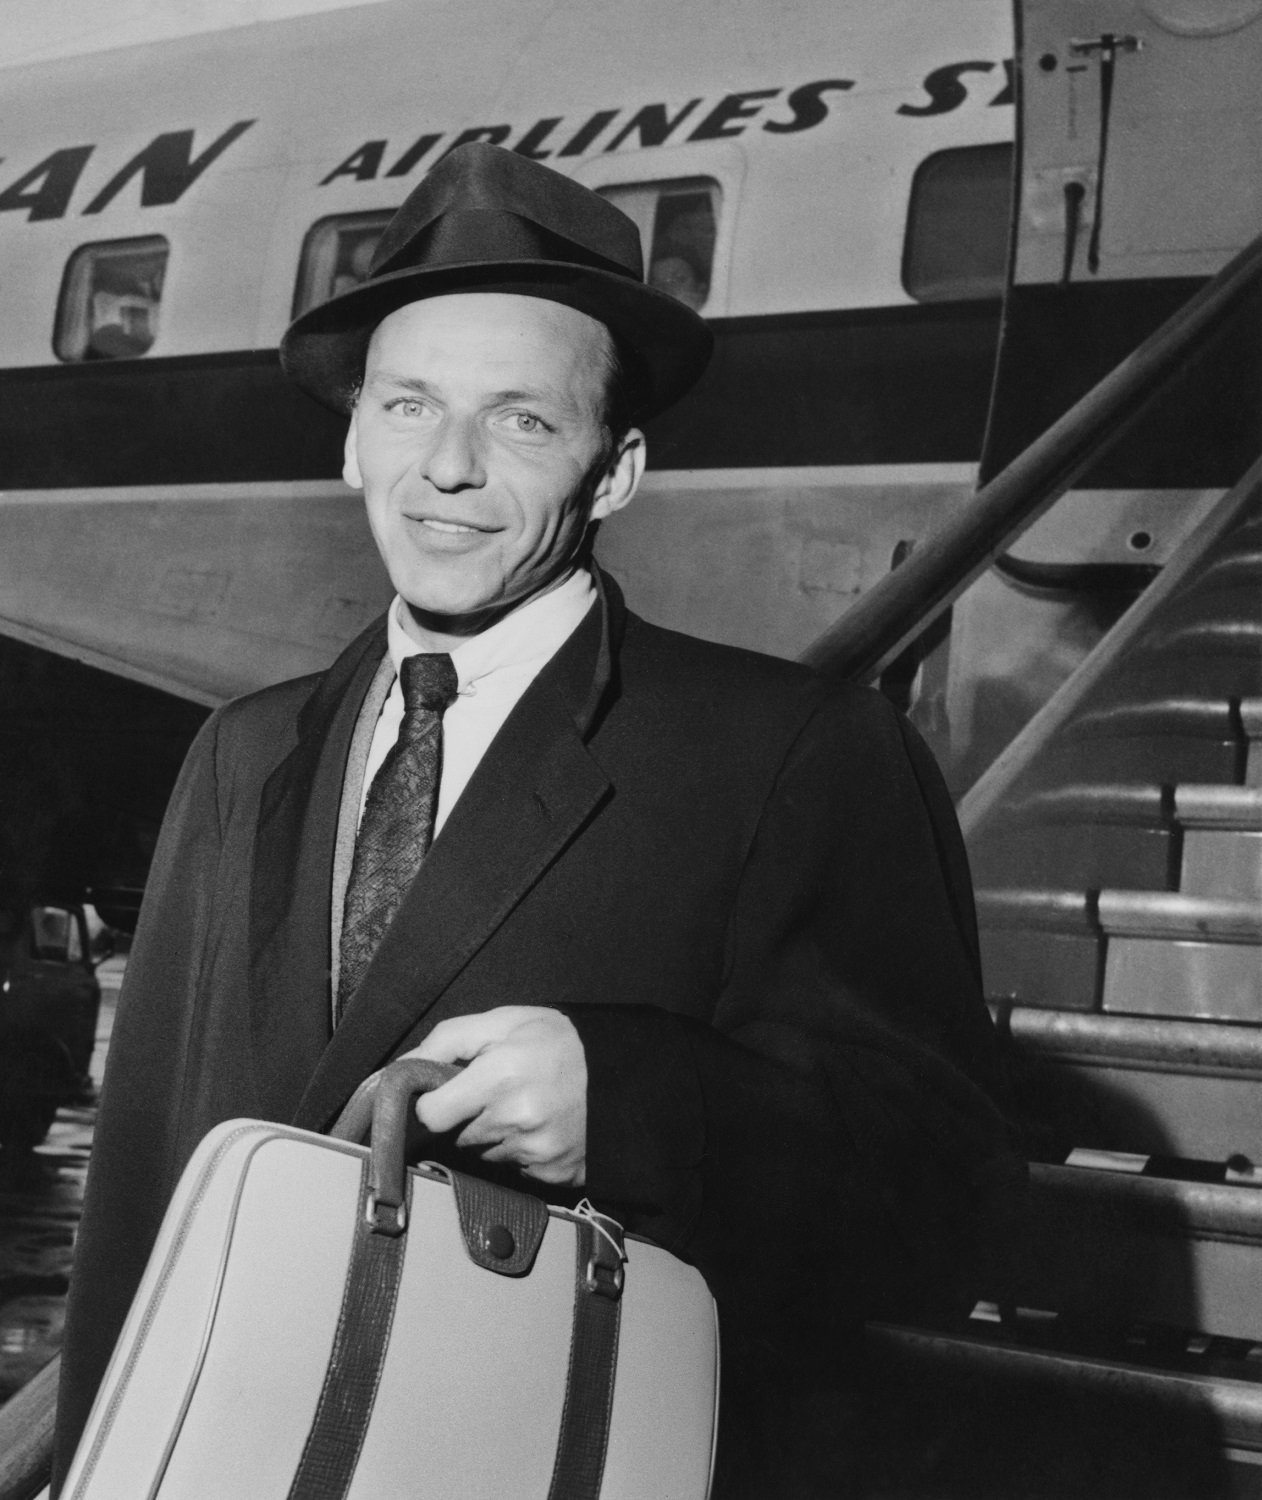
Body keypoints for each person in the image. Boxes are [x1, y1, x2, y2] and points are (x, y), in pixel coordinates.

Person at [53, 143, 1017, 1495]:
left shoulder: (793, 752)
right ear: (349, 441)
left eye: (518, 420)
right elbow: (146, 1193)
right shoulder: (243, 750)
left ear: (613, 472)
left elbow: (944, 1200)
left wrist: (637, 1103)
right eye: (405, 408)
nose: (444, 468)